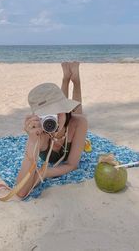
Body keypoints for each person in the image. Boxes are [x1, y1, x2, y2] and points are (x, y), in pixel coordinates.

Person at [16, 62, 88, 198]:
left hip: (72, 121)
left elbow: (72, 164)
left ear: (64, 108)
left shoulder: (79, 123)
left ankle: (73, 80)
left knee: (77, 114)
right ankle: (66, 78)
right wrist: (32, 142)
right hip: (60, 125)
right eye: (47, 115)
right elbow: (21, 191)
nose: (52, 119)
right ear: (38, 117)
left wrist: (45, 172)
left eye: (56, 112)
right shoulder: (40, 135)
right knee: (68, 117)